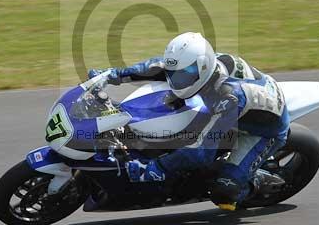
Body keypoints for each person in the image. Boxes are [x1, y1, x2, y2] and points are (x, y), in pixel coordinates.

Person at [87, 32, 290, 210]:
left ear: (202, 68)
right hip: (232, 109)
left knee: (224, 191)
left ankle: (254, 180)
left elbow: (200, 152)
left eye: (185, 74)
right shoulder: (196, 68)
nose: (177, 79)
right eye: (175, 73)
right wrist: (111, 75)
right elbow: (156, 66)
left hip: (263, 129)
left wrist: (155, 168)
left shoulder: (228, 97)